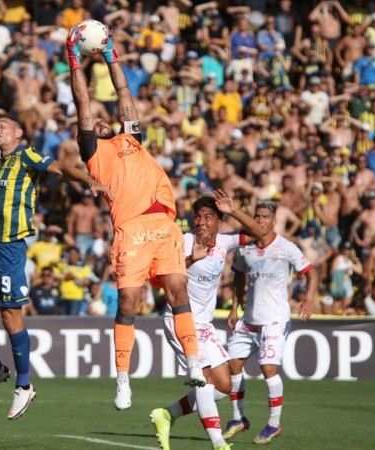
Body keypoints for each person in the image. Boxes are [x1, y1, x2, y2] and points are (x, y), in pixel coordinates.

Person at [66, 26, 205, 411]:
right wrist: (74, 59)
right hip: (132, 232)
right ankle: (123, 381)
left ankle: (193, 363)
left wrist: (111, 55)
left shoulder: (131, 139)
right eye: (94, 124)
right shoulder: (93, 152)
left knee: (178, 293)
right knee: (129, 303)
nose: (101, 122)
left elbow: (125, 95)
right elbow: (83, 101)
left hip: (165, 226)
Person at [0, 114, 110, 420]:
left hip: (10, 247)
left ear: (18, 133)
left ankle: (24, 385)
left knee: (11, 317)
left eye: (3, 125)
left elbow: (61, 168)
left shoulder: (25, 154)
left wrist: (88, 180)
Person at [150, 193, 266, 450]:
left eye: (208, 217)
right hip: (180, 319)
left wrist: (234, 210)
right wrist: (192, 259)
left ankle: (167, 414)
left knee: (224, 386)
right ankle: (218, 443)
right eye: (198, 217)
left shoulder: (225, 242)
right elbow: (159, 277)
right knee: (202, 379)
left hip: (205, 325)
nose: (201, 222)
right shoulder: (183, 241)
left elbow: (260, 233)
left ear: (219, 222)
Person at [220, 201, 318, 445]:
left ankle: (274, 424)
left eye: (265, 217)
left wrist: (308, 298)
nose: (260, 220)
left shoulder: (286, 247)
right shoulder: (245, 249)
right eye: (257, 216)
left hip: (275, 320)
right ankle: (237, 418)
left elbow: (311, 272)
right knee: (232, 366)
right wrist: (234, 308)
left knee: (268, 369)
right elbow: (239, 276)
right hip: (249, 319)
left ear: (274, 221)